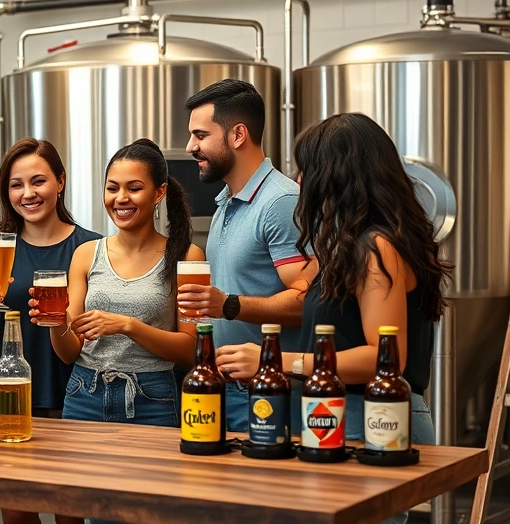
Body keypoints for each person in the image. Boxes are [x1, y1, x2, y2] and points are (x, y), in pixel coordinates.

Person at [289, 113, 444, 443]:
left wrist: (281, 361)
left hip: (376, 416)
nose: (299, 181)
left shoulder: (377, 247)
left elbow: (385, 356)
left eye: (306, 169)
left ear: (336, 175)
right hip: (345, 413)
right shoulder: (360, 245)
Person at [34, 138, 204, 433]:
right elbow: (70, 352)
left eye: (134, 188)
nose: (121, 198)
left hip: (153, 398)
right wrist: (56, 320)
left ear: (158, 192)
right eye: (112, 188)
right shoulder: (86, 254)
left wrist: (127, 325)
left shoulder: (189, 256)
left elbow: (193, 350)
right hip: (84, 393)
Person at [0, 138, 97, 524]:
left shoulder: (90, 246)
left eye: (38, 181)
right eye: (16, 184)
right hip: (10, 393)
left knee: (70, 514)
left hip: (71, 395)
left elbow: (83, 334)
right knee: (18, 514)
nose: (27, 194)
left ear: (60, 181)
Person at [177, 79, 314, 433]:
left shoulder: (280, 202)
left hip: (267, 394)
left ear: (238, 135)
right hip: (228, 391)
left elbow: (307, 302)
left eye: (200, 135)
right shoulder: (226, 202)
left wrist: (229, 304)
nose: (190, 146)